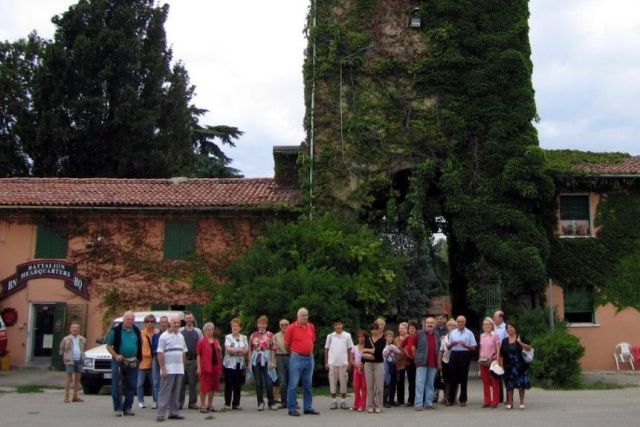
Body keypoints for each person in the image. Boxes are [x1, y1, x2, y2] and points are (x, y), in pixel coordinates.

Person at [285, 307, 319, 416]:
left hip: (309, 358)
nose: (305, 317)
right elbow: (287, 344)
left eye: (306, 315)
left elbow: (312, 340)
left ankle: (307, 407)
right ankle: (291, 408)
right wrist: (294, 353)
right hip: (296, 358)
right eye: (303, 315)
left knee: (308, 384)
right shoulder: (291, 328)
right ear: (297, 316)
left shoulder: (311, 326)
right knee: (293, 384)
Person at [106, 310, 141, 416]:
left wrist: (138, 358)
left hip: (133, 361)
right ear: (124, 319)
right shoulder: (115, 330)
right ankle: (118, 408)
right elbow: (108, 345)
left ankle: (127, 408)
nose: (130, 321)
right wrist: (116, 355)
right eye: (128, 319)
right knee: (117, 385)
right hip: (119, 360)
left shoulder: (136, 330)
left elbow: (140, 345)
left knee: (132, 385)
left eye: (132, 320)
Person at [156, 314, 187, 422]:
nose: (176, 324)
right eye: (174, 322)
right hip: (168, 369)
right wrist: (163, 368)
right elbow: (160, 353)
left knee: (176, 392)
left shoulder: (181, 336)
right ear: (170, 323)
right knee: (164, 391)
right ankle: (161, 414)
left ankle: (174, 413)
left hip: (179, 369)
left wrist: (182, 366)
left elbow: (183, 352)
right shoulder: (164, 336)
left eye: (178, 323)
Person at [445, 315, 477, 407]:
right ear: (456, 322)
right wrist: (452, 344)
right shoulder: (453, 333)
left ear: (465, 322)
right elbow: (448, 347)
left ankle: (463, 400)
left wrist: (465, 345)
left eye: (462, 322)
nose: (460, 323)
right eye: (458, 322)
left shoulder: (469, 333)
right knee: (452, 377)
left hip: (464, 354)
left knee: (463, 378)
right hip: (454, 354)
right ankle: (451, 399)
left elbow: (473, 348)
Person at [499, 322, 532, 410]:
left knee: (521, 384)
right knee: (509, 385)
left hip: (520, 365)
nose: (509, 329)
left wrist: (520, 343)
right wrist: (502, 366)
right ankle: (510, 402)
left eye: (511, 327)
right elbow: (501, 355)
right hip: (509, 366)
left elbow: (529, 348)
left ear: (515, 328)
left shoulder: (520, 337)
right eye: (508, 328)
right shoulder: (504, 341)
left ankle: (521, 402)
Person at [249, 315, 278, 411]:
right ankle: (260, 402)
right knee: (258, 383)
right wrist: (249, 362)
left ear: (266, 324)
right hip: (256, 361)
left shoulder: (270, 335)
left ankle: (271, 402)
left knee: (269, 382)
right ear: (257, 324)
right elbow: (250, 349)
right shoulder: (253, 335)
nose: (262, 325)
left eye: (264, 323)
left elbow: (273, 349)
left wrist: (273, 361)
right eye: (260, 323)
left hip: (267, 361)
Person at [324, 319, 354, 410]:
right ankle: (333, 401)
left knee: (343, 382)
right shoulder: (330, 336)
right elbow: (326, 349)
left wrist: (349, 361)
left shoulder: (347, 335)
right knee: (332, 382)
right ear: (334, 326)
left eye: (339, 324)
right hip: (332, 363)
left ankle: (343, 401)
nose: (338, 326)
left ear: (342, 325)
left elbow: (350, 349)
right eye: (336, 325)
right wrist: (326, 362)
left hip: (343, 363)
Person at [222, 317, 249, 411]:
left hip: (240, 364)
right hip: (229, 364)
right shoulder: (228, 337)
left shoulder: (244, 337)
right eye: (233, 326)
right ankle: (227, 404)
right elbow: (228, 350)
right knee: (229, 384)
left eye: (237, 326)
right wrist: (240, 350)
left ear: (240, 327)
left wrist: (236, 351)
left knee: (238, 384)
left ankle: (236, 404)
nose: (235, 328)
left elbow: (246, 351)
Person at [414, 317, 441, 410]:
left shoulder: (437, 335)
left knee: (430, 384)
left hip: (433, 363)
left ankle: (428, 403)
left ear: (435, 324)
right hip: (422, 362)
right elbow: (413, 346)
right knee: (420, 383)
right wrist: (416, 357)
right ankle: (418, 404)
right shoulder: (419, 334)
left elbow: (438, 349)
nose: (429, 324)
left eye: (432, 323)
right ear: (424, 324)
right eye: (428, 322)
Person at [196, 322, 222, 413]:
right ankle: (202, 405)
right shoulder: (201, 341)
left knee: (212, 386)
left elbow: (219, 353)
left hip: (215, 366)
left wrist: (219, 349)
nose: (210, 331)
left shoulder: (215, 341)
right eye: (208, 330)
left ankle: (210, 404)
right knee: (204, 386)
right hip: (205, 366)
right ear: (204, 331)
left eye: (212, 329)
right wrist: (199, 368)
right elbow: (198, 355)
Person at [179, 312, 203, 410]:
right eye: (187, 318)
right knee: (181, 383)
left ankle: (192, 403)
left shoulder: (198, 331)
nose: (188, 319)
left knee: (193, 383)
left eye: (190, 318)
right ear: (184, 320)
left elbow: (201, 345)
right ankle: (179, 403)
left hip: (193, 360)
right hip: (182, 360)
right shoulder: (180, 331)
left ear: (193, 319)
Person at [59, 321, 86, 403]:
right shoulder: (66, 339)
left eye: (76, 328)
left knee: (78, 379)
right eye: (73, 328)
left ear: (79, 330)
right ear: (70, 329)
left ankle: (75, 396)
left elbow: (83, 349)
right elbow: (61, 349)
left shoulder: (82, 339)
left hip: (79, 360)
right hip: (70, 360)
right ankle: (66, 397)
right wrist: (65, 356)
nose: (75, 329)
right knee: (69, 378)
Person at [362, 321, 385, 413]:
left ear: (378, 329)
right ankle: (370, 406)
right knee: (370, 386)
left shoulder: (383, 340)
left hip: (378, 364)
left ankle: (379, 406)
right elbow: (363, 351)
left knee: (379, 386)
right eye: (372, 329)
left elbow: (379, 352)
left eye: (375, 329)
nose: (374, 331)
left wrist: (368, 350)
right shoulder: (368, 339)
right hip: (368, 364)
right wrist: (370, 350)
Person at [478, 317, 501, 408]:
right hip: (483, 361)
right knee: (485, 381)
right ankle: (487, 401)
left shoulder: (495, 335)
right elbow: (481, 349)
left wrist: (497, 360)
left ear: (492, 326)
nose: (487, 326)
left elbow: (498, 349)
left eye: (489, 324)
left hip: (492, 361)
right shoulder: (481, 336)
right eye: (485, 324)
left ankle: (495, 401)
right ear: (483, 326)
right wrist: (479, 359)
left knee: (494, 381)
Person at [137, 314, 156, 409]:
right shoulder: (141, 333)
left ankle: (155, 401)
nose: (150, 323)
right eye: (148, 321)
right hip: (142, 362)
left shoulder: (157, 333)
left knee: (154, 383)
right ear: (145, 323)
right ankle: (141, 401)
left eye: (152, 321)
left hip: (153, 362)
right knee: (140, 383)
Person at [151, 315, 170, 409]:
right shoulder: (156, 335)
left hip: (167, 360)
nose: (163, 324)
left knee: (166, 382)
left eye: (165, 322)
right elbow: (153, 348)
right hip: (155, 359)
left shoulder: (170, 335)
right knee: (156, 381)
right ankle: (156, 401)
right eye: (162, 322)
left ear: (168, 323)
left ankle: (166, 401)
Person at [438, 318, 457, 404]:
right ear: (447, 327)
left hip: (455, 360)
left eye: (453, 326)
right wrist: (439, 363)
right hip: (445, 361)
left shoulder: (457, 337)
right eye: (450, 325)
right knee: (446, 380)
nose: (451, 327)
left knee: (455, 380)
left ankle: (454, 397)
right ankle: (445, 396)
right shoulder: (444, 338)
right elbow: (441, 351)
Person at [401, 321, 419, 407]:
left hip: (417, 361)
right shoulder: (407, 338)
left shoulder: (418, 337)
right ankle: (410, 400)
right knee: (411, 381)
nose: (411, 330)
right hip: (409, 361)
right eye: (410, 328)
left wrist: (416, 355)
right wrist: (407, 352)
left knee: (418, 381)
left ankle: (418, 399)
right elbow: (401, 346)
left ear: (416, 329)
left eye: (413, 328)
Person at [273, 318, 290, 410]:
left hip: (291, 358)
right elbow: (273, 350)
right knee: (282, 382)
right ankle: (284, 402)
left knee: (292, 381)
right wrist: (273, 361)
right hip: (280, 358)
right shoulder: (275, 336)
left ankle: (293, 402)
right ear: (279, 326)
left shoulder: (292, 334)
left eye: (286, 324)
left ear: (289, 325)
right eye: (282, 325)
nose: (284, 326)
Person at [382, 329, 400, 408]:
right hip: (386, 365)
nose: (390, 338)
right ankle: (384, 401)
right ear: (385, 337)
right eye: (389, 337)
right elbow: (383, 355)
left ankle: (391, 400)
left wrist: (396, 355)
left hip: (393, 364)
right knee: (387, 383)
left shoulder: (393, 346)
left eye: (392, 337)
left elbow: (399, 353)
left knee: (393, 382)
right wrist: (387, 353)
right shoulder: (383, 346)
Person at [433, 312, 448, 403]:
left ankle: (445, 396)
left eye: (440, 318)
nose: (439, 320)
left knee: (445, 376)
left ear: (444, 319)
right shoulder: (433, 330)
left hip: (445, 355)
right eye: (437, 318)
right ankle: (435, 395)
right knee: (435, 377)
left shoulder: (447, 329)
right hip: (435, 355)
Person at [351, 330, 368, 411]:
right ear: (357, 338)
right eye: (359, 337)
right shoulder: (354, 347)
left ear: (365, 338)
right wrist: (356, 365)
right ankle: (356, 404)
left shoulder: (367, 347)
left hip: (365, 368)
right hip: (356, 368)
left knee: (364, 387)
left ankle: (362, 405)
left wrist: (363, 366)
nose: (361, 338)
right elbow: (351, 359)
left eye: (362, 337)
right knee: (356, 387)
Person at [493, 310, 507, 403]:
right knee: (496, 375)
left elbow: (506, 341)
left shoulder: (506, 328)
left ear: (501, 318)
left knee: (505, 376)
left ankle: (509, 397)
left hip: (503, 355)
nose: (494, 318)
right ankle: (499, 397)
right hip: (494, 354)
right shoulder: (493, 327)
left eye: (495, 317)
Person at [394, 322, 409, 405]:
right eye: (399, 328)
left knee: (411, 381)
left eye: (402, 328)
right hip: (399, 363)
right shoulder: (396, 339)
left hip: (409, 362)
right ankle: (400, 400)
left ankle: (411, 399)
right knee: (400, 381)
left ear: (406, 329)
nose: (400, 330)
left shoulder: (410, 338)